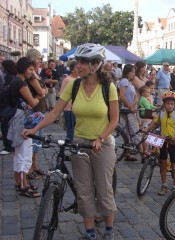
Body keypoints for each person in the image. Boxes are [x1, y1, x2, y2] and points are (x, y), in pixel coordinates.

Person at [23, 43, 119, 240]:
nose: (78, 65)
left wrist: (101, 138)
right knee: (83, 191)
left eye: (83, 62)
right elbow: (54, 112)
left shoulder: (108, 87)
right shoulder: (75, 85)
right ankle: (90, 233)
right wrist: (34, 129)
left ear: (95, 65)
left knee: (103, 189)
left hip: (102, 143)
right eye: (78, 62)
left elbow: (115, 120)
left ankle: (109, 231)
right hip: (79, 141)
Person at [7, 57, 41, 198]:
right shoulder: (21, 83)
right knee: (24, 154)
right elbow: (33, 103)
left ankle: (18, 182)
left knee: (19, 154)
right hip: (21, 122)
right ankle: (24, 185)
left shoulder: (14, 81)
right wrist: (40, 96)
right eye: (31, 69)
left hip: (14, 119)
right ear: (23, 68)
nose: (32, 73)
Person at [145, 91, 175, 195]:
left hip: (172, 142)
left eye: (172, 104)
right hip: (162, 141)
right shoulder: (161, 114)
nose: (169, 106)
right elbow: (155, 123)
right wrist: (147, 129)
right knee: (163, 164)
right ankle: (164, 185)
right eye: (167, 104)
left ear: (174, 105)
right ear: (164, 104)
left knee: (174, 164)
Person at [25, 48, 49, 180]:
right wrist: (44, 90)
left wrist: (44, 90)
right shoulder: (32, 74)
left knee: (38, 140)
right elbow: (41, 91)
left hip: (41, 108)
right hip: (35, 109)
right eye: (39, 58)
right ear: (33, 59)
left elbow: (44, 90)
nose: (41, 60)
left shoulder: (36, 72)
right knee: (34, 140)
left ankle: (35, 165)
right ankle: (29, 167)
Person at [118, 64, 142, 161]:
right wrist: (130, 106)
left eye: (134, 72)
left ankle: (127, 153)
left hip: (131, 108)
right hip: (127, 109)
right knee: (134, 130)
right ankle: (142, 153)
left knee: (129, 131)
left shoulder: (129, 82)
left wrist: (133, 105)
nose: (133, 74)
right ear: (127, 72)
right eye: (132, 72)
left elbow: (136, 96)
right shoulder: (124, 81)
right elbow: (122, 96)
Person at [0, 60, 17, 155]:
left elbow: (4, 91)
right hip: (11, 104)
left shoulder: (8, 77)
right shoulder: (13, 76)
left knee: (5, 125)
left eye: (3, 66)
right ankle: (10, 145)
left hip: (7, 104)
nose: (2, 68)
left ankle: (8, 146)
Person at [59, 60, 78, 142]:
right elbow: (62, 94)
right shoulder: (68, 79)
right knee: (70, 129)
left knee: (75, 128)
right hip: (69, 108)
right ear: (72, 69)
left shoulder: (78, 79)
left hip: (76, 108)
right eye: (77, 68)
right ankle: (69, 144)